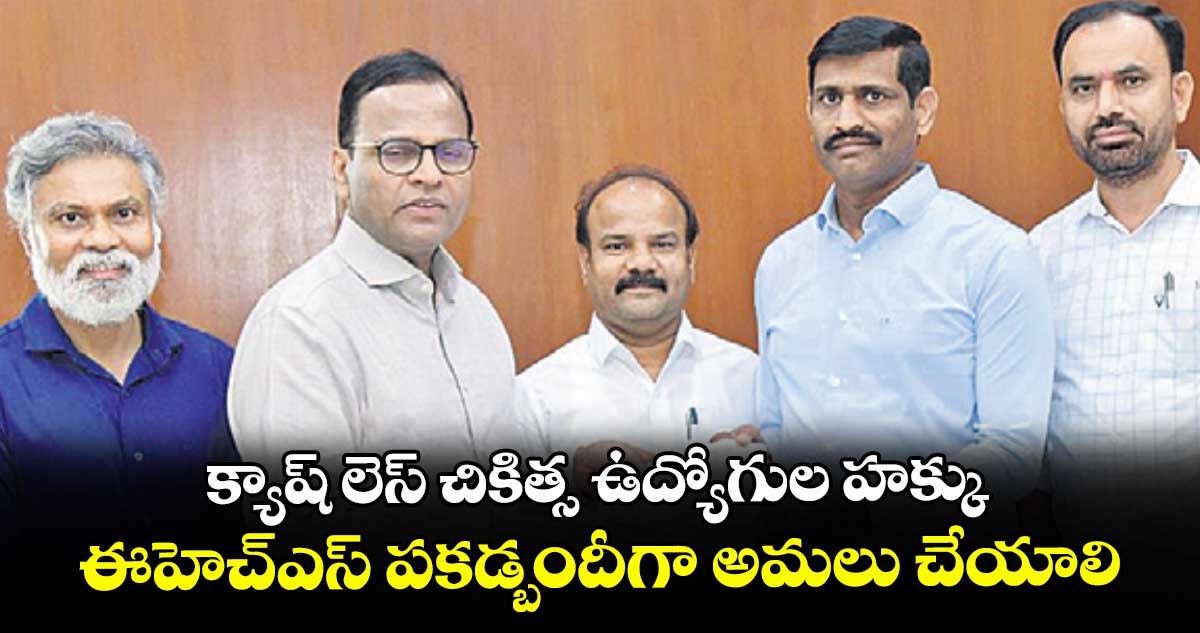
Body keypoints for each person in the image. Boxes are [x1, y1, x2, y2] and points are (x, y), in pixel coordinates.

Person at [754, 16, 1055, 509]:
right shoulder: (780, 263)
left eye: (873, 97)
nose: (846, 120)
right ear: (809, 111)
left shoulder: (994, 254)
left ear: (923, 110)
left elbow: (1012, 452)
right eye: (829, 98)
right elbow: (776, 430)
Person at [228, 50, 520, 472]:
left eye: (451, 152)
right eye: (397, 152)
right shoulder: (299, 323)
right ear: (342, 169)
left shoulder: (476, 311)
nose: (429, 175)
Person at [0, 112, 238, 544]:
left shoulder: (220, 369)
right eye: (71, 218)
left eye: (124, 213)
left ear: (155, 228)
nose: (103, 240)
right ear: (29, 239)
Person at [1031, 2, 1197, 543]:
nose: (1107, 108)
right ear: (1063, 106)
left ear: (1179, 94)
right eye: (1084, 88)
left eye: (1131, 81)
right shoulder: (1038, 255)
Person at [513, 165, 759, 481]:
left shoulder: (751, 379)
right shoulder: (535, 398)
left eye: (663, 244)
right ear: (585, 263)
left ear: (690, 258)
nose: (642, 263)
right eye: (617, 246)